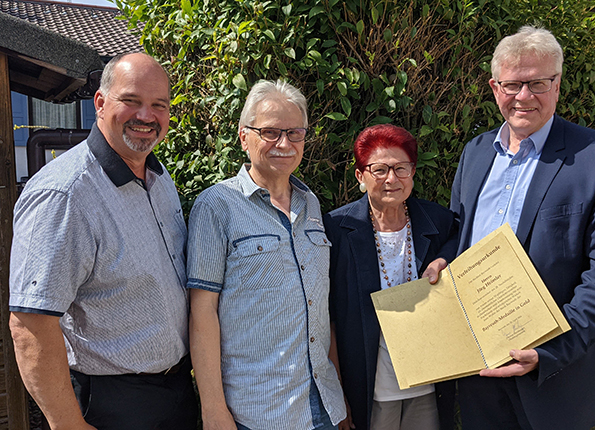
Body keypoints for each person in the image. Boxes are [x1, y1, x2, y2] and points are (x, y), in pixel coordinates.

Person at [451, 26, 595, 430]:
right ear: (495, 87)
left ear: (557, 84)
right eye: (513, 84)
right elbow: (459, 238)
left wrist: (550, 350)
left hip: (556, 378)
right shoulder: (476, 152)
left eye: (538, 83)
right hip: (479, 372)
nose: (524, 96)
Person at [9, 52, 198, 430]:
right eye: (131, 101)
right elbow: (30, 323)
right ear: (100, 102)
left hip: (174, 392)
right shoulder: (65, 194)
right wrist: (68, 424)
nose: (146, 116)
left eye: (158, 105)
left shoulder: (160, 181)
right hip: (112, 405)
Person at [187, 79, 346, 430]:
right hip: (257, 413)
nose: (285, 144)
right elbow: (202, 313)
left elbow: (322, 307)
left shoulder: (312, 205)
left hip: (322, 405)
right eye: (270, 132)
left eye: (295, 133)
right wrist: (213, 410)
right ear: (244, 137)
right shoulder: (216, 206)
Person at [324, 124, 458, 430]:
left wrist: (443, 259)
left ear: (413, 172)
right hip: (372, 386)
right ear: (360, 176)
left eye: (401, 168)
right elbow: (327, 315)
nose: (391, 179)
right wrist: (337, 392)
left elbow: (462, 245)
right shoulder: (337, 229)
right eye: (380, 169)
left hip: (430, 380)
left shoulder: (438, 220)